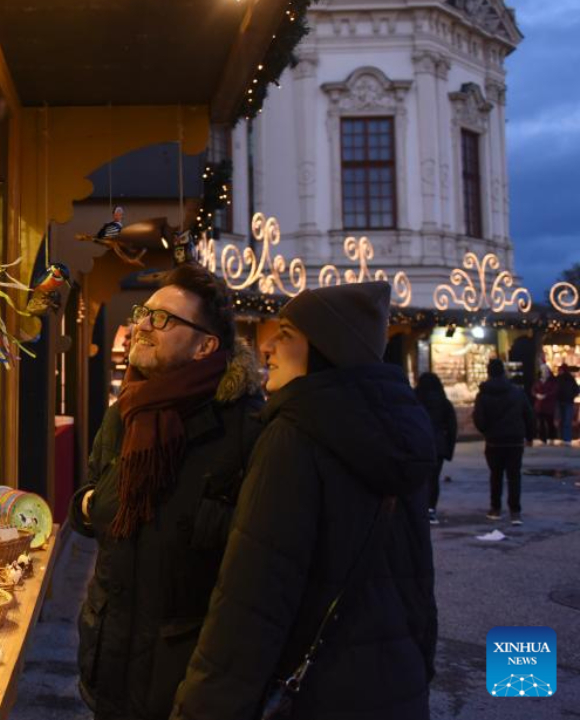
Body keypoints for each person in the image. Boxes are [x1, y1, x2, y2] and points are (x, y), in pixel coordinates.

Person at [173, 282, 438, 720]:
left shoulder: (294, 436)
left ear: (324, 348)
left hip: (316, 696)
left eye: (287, 335)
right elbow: (419, 584)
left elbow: (251, 602)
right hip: (396, 687)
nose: (268, 347)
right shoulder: (402, 432)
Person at [69, 263, 264, 720]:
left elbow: (257, 568)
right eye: (142, 313)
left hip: (185, 678)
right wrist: (89, 505)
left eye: (162, 319)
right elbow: (90, 502)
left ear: (206, 346)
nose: (141, 325)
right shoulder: (127, 411)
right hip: (110, 657)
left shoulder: (245, 426)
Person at [473, 358, 534, 524]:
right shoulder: (516, 392)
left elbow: (479, 419)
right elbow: (528, 414)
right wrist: (529, 436)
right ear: (503, 372)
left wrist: (487, 431)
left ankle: (495, 508)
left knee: (496, 475)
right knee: (514, 476)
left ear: (488, 372)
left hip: (494, 441)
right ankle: (515, 512)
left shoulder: (483, 394)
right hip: (514, 440)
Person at [415, 372, 456, 525]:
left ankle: (419, 508)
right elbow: (452, 428)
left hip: (418, 443)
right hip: (437, 445)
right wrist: (448, 450)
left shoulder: (414, 400)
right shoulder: (444, 403)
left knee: (419, 478)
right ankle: (431, 509)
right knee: (434, 479)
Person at [532, 364, 558, 445]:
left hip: (549, 405)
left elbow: (554, 390)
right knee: (540, 422)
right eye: (543, 371)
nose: (544, 372)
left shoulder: (552, 381)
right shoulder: (538, 381)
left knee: (550, 422)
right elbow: (533, 390)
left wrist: (546, 395)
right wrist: (536, 395)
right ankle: (542, 438)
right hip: (539, 405)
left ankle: (551, 437)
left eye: (546, 371)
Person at [557, 364, 578, 445]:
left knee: (564, 421)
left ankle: (564, 438)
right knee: (566, 421)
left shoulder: (560, 379)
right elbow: (576, 389)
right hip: (567, 401)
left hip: (563, 401)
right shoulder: (570, 378)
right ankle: (566, 438)